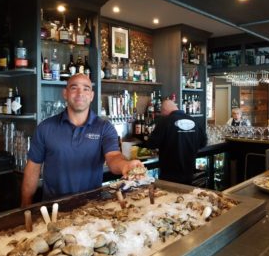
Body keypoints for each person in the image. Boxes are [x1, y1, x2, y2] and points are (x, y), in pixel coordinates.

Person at [21, 73, 143, 207]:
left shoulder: (104, 128)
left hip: (90, 208)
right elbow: (32, 168)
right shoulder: (45, 128)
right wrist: (25, 207)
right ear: (65, 93)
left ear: (92, 96)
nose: (80, 93)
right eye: (74, 88)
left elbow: (113, 157)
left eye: (86, 88)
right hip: (53, 209)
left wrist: (125, 166)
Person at [145, 99, 207, 185]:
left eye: (161, 112)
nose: (161, 115)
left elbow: (151, 144)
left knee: (170, 197)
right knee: (186, 196)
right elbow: (203, 143)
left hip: (169, 174)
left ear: (164, 110)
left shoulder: (164, 122)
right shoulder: (194, 121)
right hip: (189, 172)